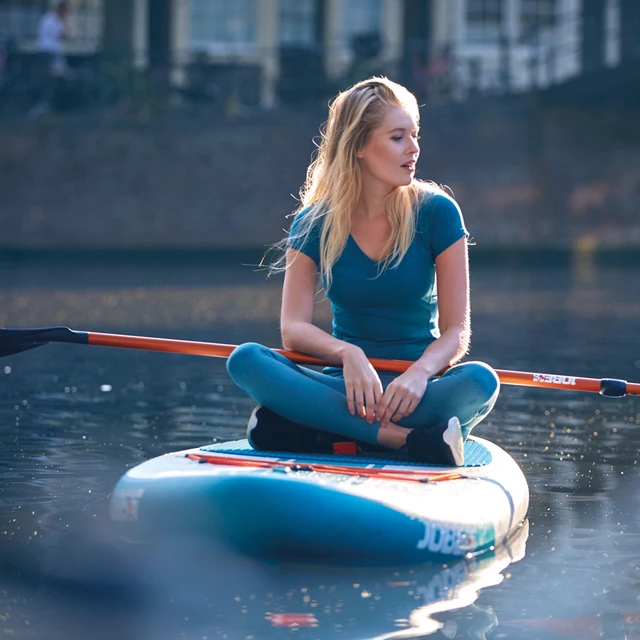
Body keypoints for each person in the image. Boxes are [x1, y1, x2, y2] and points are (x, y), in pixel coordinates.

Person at [226, 77, 499, 465]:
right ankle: (401, 439)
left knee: (480, 381)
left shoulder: (437, 212)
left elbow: (457, 332)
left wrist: (420, 374)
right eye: (398, 137)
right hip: (341, 385)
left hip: (416, 390)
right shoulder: (314, 222)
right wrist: (349, 354)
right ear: (358, 147)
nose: (414, 148)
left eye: (415, 134)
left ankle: (317, 430)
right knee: (246, 360)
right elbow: (293, 329)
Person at [28, 0, 69, 119]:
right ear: (61, 10)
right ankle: (44, 104)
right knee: (50, 79)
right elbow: (63, 35)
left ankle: (47, 104)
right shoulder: (53, 20)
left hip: (48, 53)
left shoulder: (48, 19)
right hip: (49, 54)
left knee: (52, 78)